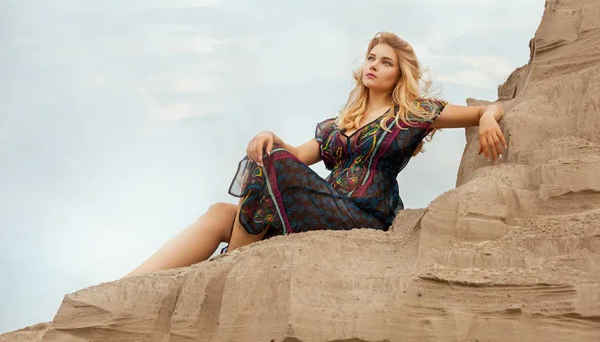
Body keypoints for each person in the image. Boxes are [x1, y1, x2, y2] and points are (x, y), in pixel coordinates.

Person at [121, 31, 506, 279]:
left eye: (385, 62)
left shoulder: (413, 113)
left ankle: (229, 269)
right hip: (324, 206)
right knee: (221, 212)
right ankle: (126, 286)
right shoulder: (340, 122)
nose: (374, 65)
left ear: (399, 74)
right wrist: (268, 136)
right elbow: (295, 158)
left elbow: (486, 109)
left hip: (365, 213)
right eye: (371, 57)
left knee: (270, 167)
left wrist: (489, 117)